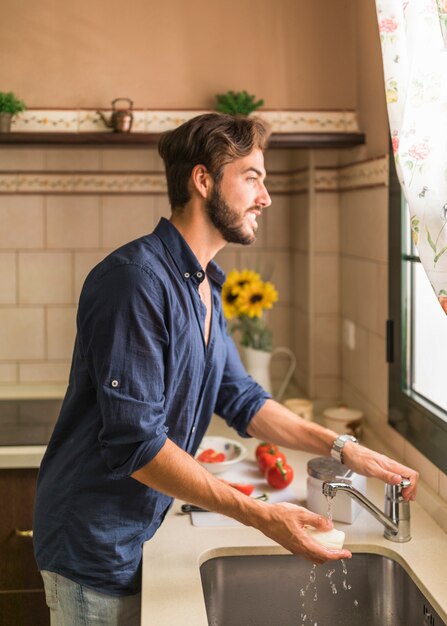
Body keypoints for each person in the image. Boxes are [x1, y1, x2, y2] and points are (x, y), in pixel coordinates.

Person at [33, 113, 419, 626]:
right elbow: (137, 446)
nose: (267, 197)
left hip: (138, 534)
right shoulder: (135, 282)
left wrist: (344, 448)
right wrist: (265, 517)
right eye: (253, 177)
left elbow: (242, 399)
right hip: (93, 549)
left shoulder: (205, 286)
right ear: (203, 180)